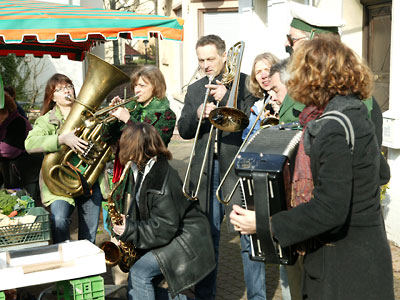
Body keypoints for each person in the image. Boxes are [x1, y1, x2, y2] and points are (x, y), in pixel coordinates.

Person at [231, 36, 394, 300]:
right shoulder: (353, 112)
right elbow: (380, 173)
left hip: (344, 270)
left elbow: (330, 209)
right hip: (365, 260)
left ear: (312, 76)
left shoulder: (331, 127)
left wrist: (264, 224)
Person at [178, 35, 258, 300]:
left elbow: (255, 122)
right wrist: (196, 112)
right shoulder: (195, 88)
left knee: (247, 236)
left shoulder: (246, 83)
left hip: (235, 169)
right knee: (207, 237)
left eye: (211, 59)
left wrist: (228, 99)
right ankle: (205, 295)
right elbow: (185, 131)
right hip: (204, 171)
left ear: (225, 56)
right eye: (201, 60)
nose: (206, 65)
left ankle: (257, 296)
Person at [110, 122, 215, 300]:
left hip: (185, 241)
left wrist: (131, 229)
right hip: (173, 235)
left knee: (139, 274)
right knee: (135, 287)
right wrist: (126, 229)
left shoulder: (164, 180)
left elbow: (165, 227)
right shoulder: (142, 169)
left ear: (134, 147)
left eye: (123, 142)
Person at [25, 73, 103, 244]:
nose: (66, 91)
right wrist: (61, 139)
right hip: (60, 182)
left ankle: (86, 268)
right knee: (59, 220)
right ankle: (64, 259)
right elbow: (29, 144)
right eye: (59, 89)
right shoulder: (46, 121)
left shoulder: (89, 114)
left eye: (68, 86)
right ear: (52, 97)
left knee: (89, 235)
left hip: (88, 180)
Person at [0, 90, 42, 204]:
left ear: (5, 111)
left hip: (27, 173)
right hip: (12, 174)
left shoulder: (18, 122)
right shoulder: (4, 123)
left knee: (27, 204)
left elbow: (8, 150)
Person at [242, 52, 279, 138]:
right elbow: (248, 138)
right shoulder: (258, 107)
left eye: (267, 70)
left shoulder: (293, 97)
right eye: (258, 72)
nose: (263, 76)